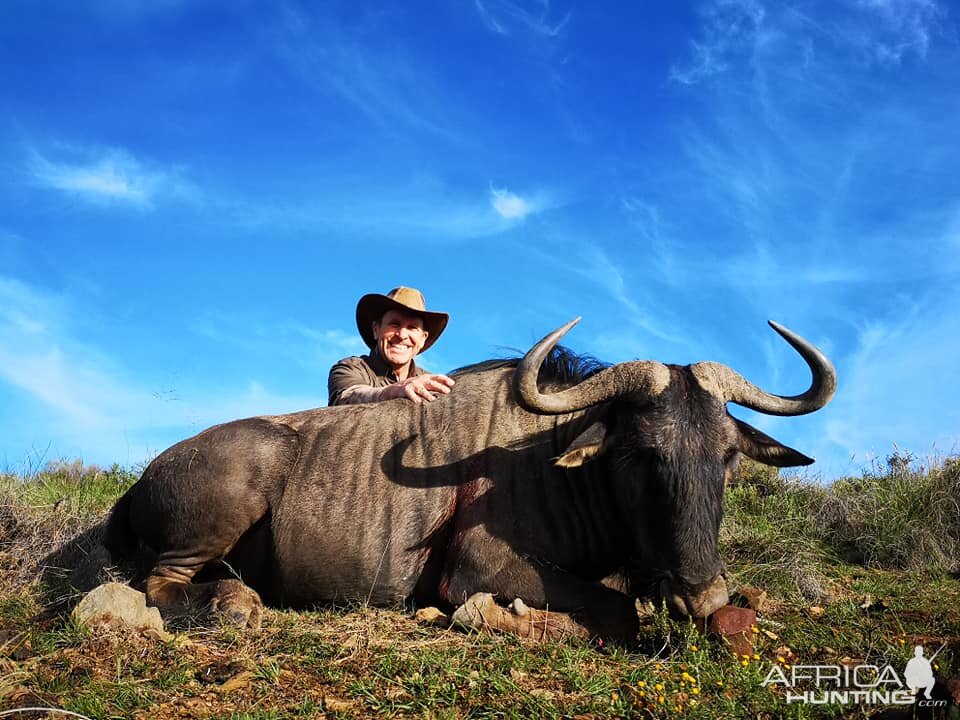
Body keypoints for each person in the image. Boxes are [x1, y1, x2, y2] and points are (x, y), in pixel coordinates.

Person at [328, 286, 455, 405]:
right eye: (394, 324)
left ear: (423, 339)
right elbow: (348, 396)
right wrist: (393, 392)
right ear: (376, 329)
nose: (402, 335)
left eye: (412, 327)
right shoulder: (350, 369)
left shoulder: (430, 383)